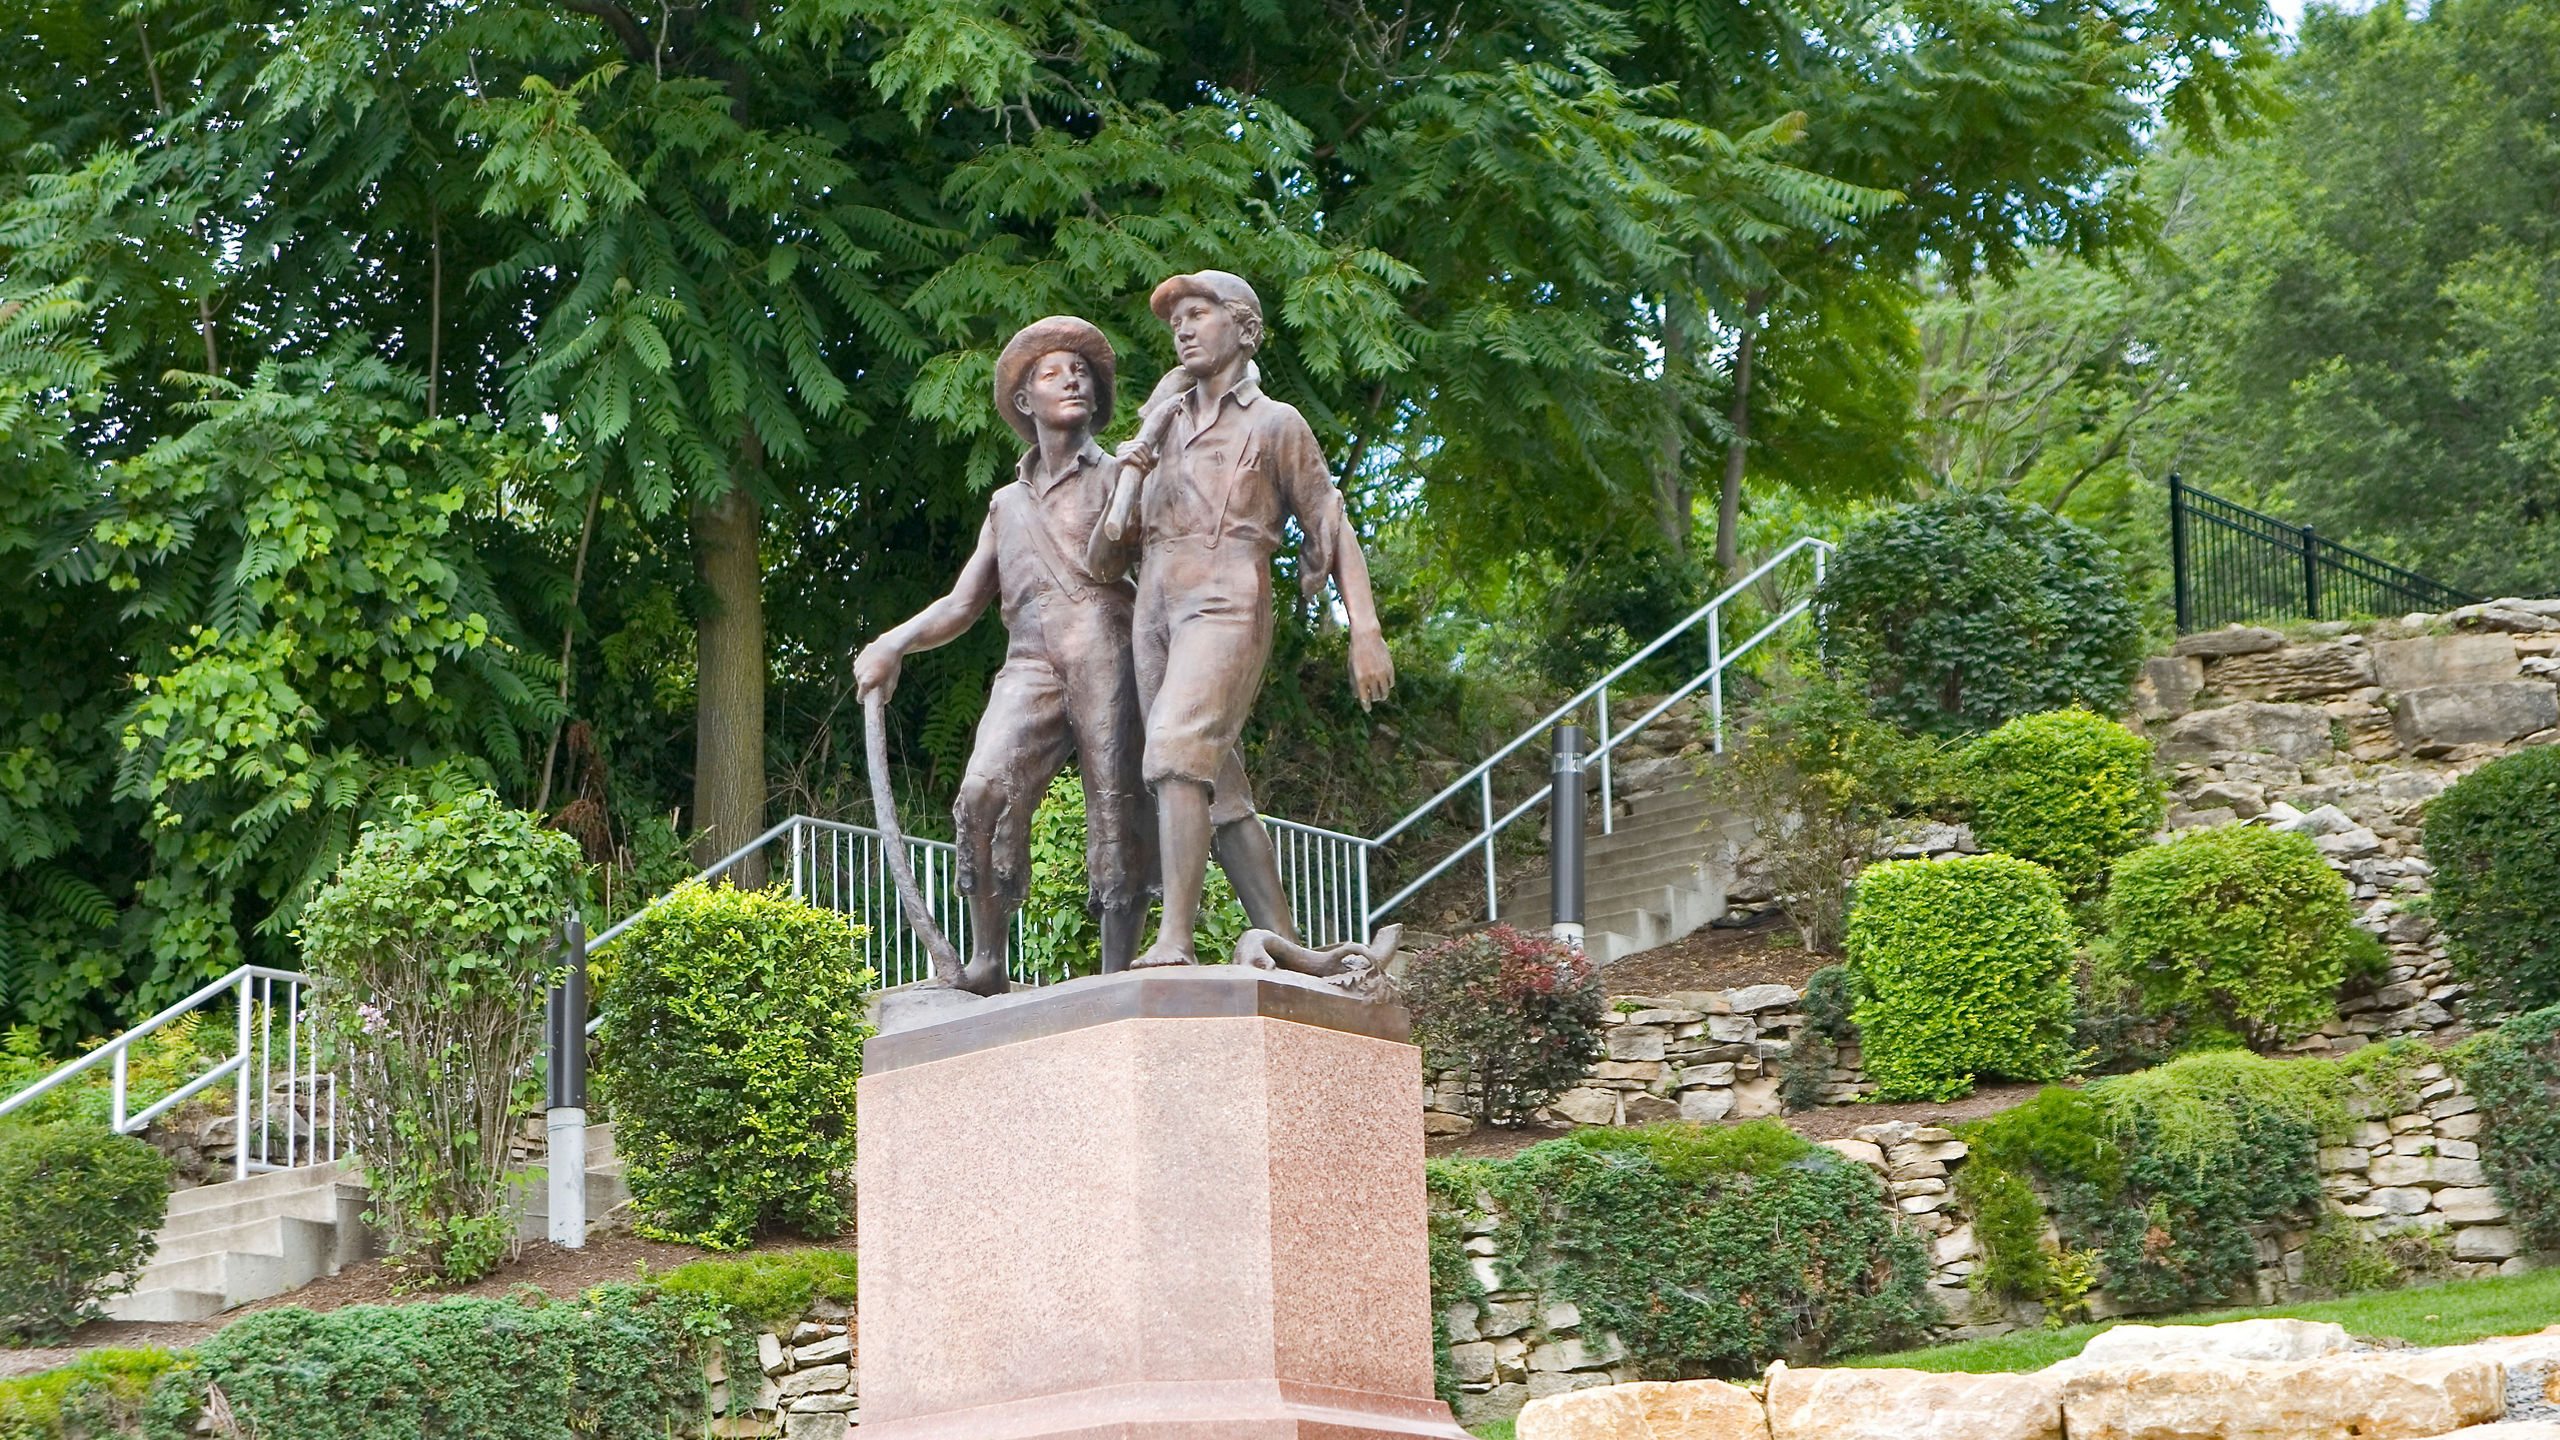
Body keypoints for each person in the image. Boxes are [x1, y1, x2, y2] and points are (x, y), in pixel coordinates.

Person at [1094, 270, 1396, 969]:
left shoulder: (1274, 422)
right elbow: (1111, 541)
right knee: (1217, 787)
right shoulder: (1161, 426)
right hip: (1156, 604)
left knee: (1173, 748)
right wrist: (1137, 448)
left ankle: (1175, 940)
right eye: (1176, 320)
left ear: (1245, 329)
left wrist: (1365, 628)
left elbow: (1330, 518)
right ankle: (1291, 950)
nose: (1183, 328)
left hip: (1229, 597)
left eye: (1199, 313)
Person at [853, 317, 1150, 994]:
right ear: (1025, 401)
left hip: (1109, 651)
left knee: (1116, 804)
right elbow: (962, 605)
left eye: (1082, 373)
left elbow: (1164, 572)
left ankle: (1114, 976)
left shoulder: (1123, 475)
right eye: (1052, 373)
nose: (1071, 379)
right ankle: (989, 957)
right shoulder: (1006, 504)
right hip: (1030, 663)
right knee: (984, 790)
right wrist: (892, 642)